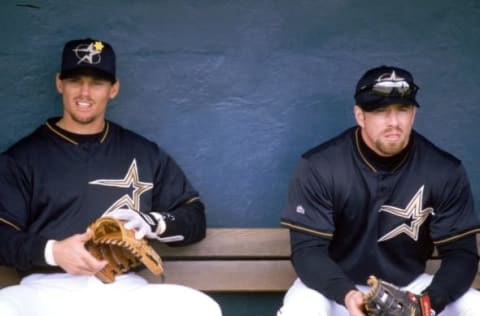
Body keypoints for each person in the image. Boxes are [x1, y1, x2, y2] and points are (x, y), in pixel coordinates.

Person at [0, 38, 221, 316]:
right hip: (47, 286)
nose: (84, 92)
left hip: (123, 287)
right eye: (75, 81)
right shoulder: (22, 158)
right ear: (59, 83)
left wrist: (153, 222)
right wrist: (52, 251)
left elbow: (194, 216)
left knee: (200, 308)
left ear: (113, 89)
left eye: (97, 83)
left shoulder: (143, 153)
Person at [278, 65, 480, 316]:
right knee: (303, 309)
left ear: (413, 114)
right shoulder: (321, 166)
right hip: (336, 291)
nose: (394, 122)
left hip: (410, 288)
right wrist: (347, 295)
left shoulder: (443, 170)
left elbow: (462, 254)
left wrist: (426, 304)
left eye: (403, 110)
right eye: (381, 111)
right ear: (360, 115)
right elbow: (307, 252)